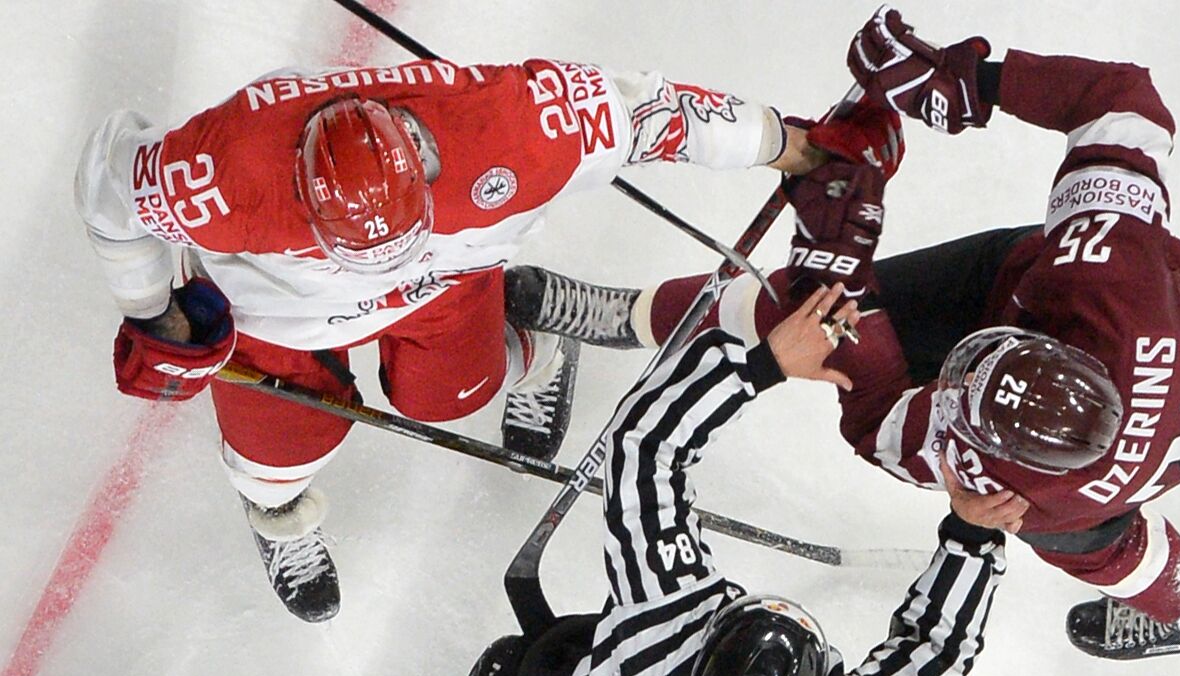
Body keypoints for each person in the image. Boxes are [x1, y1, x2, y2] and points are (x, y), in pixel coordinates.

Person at [501, 7, 1180, 660]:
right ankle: (627, 314)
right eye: (977, 358)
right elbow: (1121, 103)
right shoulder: (1104, 259)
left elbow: (880, 421)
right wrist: (970, 83)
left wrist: (841, 269)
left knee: (1103, 546)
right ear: (1047, 340)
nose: (952, 371)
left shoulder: (1011, 487)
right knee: (819, 301)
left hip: (1103, 464)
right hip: (1143, 339)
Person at [73, 56, 860, 621]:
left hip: (443, 281)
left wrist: (791, 145)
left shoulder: (510, 127)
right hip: (281, 314)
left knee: (451, 396)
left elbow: (655, 114)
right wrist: (152, 310)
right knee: (275, 456)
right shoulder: (223, 169)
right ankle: (283, 520)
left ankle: (537, 351)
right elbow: (108, 183)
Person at [431, 161, 1007, 676]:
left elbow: (645, 448)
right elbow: (935, 649)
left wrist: (764, 364)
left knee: (537, 668)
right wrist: (971, 537)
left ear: (701, 650)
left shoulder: (661, 631)